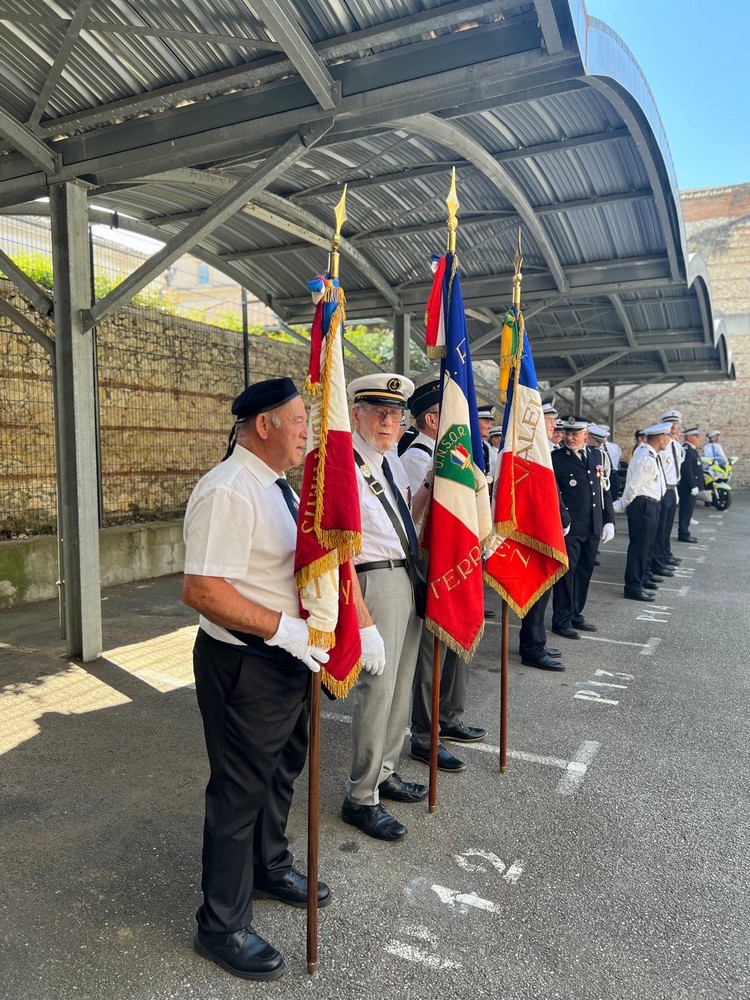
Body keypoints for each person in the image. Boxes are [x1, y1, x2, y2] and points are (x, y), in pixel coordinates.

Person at [183, 378, 334, 982]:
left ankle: (269, 867)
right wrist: (284, 629)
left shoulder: (277, 488)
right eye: (298, 421)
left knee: (280, 773)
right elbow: (203, 590)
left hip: (285, 660)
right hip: (245, 662)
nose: (308, 432)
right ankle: (220, 925)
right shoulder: (228, 490)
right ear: (264, 425)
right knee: (238, 791)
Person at [343, 373, 426, 841]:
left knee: (400, 685)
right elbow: (339, 548)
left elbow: (404, 522)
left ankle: (386, 770)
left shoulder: (389, 461)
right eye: (378, 412)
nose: (388, 421)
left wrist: (432, 491)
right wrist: (362, 616)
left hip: (405, 571)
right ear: (356, 413)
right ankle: (361, 796)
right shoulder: (345, 464)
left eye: (395, 414)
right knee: (377, 691)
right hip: (373, 578)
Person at [401, 379, 487, 772]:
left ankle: (449, 718)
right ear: (433, 418)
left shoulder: (448, 452)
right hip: (432, 562)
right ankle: (424, 735)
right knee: (431, 654)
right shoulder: (419, 459)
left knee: (455, 643)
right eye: (452, 412)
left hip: (454, 559)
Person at [550, 416, 615, 639]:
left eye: (575, 433)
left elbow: (603, 489)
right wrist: (563, 520)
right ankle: (562, 619)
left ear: (586, 434)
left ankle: (576, 613)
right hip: (571, 527)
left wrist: (609, 520)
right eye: (567, 432)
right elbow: (554, 494)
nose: (569, 437)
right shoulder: (556, 458)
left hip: (593, 525)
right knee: (567, 574)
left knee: (585, 572)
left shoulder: (596, 455)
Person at [518, 402, 569, 672]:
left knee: (543, 590)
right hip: (536, 531)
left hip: (548, 528)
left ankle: (536, 639)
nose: (554, 426)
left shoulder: (546, 451)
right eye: (550, 421)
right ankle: (532, 647)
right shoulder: (531, 452)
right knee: (536, 589)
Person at [613, 422, 671, 601]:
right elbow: (634, 485)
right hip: (643, 505)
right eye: (667, 437)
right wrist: (624, 503)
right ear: (660, 439)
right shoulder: (647, 457)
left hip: (650, 504)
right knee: (640, 547)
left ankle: (643, 577)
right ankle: (633, 586)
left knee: (647, 546)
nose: (668, 441)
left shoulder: (649, 454)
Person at [651, 409, 684, 574]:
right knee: (660, 527)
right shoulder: (662, 445)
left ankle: (665, 553)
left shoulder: (677, 446)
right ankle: (657, 561)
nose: (675, 428)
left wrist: (675, 490)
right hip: (662, 490)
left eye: (676, 425)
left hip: (672, 488)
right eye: (672, 425)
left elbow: (676, 470)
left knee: (667, 527)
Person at [678, 426, 703, 542]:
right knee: (685, 511)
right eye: (696, 436)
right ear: (689, 437)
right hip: (687, 487)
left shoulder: (691, 449)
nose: (698, 438)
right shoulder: (687, 450)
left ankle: (685, 531)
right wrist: (692, 485)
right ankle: (683, 533)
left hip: (691, 487)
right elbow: (687, 470)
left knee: (688, 511)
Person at [477, 403, 497, 480]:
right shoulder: (468, 443)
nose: (490, 427)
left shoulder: (485, 447)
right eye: (486, 422)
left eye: (491, 423)